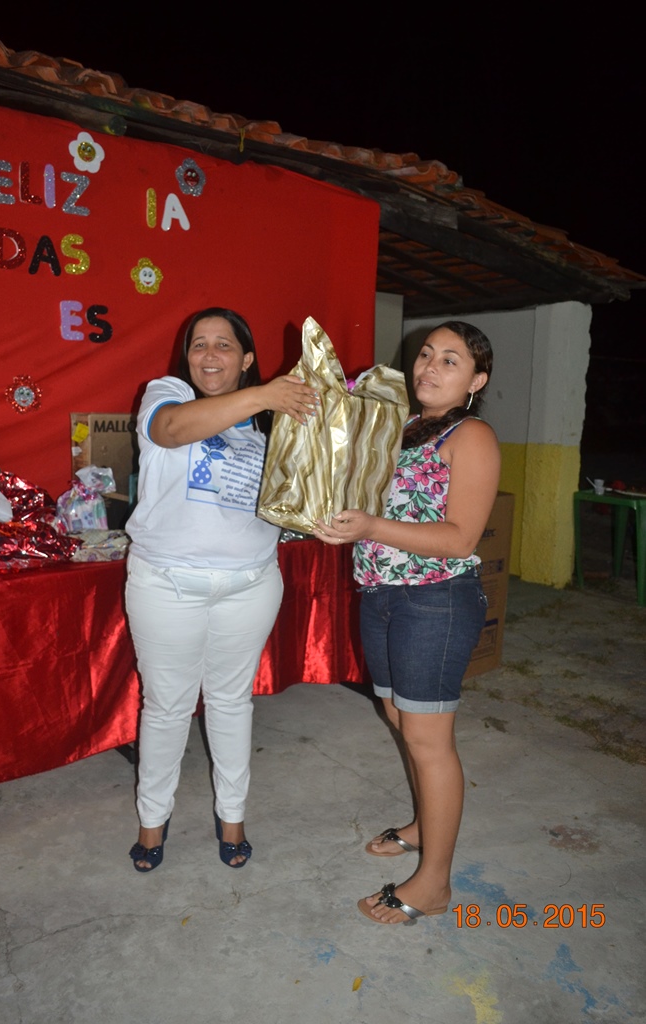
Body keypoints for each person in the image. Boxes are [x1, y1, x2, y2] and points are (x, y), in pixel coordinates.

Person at [316, 320, 500, 924]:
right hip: (382, 594)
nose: (430, 367)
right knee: (398, 714)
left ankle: (435, 884)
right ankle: (424, 825)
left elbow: (460, 536)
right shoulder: (399, 429)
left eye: (450, 361)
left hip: (437, 600)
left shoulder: (471, 436)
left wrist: (368, 527)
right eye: (426, 354)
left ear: (476, 380)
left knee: (429, 739)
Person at [125, 307, 319, 872]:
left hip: (251, 584)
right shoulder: (164, 394)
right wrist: (263, 396)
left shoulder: (271, 424)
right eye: (199, 345)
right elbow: (173, 431)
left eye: (224, 345)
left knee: (232, 703)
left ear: (247, 359)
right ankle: (151, 820)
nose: (209, 355)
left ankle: (231, 817)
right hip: (166, 583)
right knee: (167, 708)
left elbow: (295, 498)